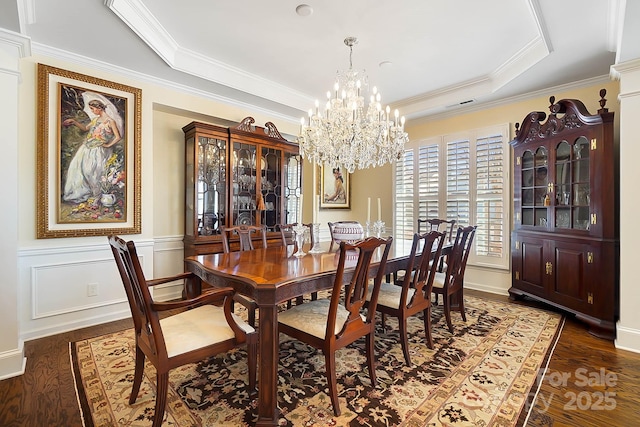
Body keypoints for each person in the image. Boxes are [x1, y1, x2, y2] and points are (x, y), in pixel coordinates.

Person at [62, 92, 123, 204]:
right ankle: (84, 193)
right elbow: (86, 128)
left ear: (99, 108)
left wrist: (108, 145)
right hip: (87, 148)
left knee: (93, 172)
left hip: (99, 150)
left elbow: (118, 137)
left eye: (92, 109)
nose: (92, 111)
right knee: (79, 169)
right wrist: (74, 122)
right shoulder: (95, 120)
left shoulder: (110, 121)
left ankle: (97, 195)